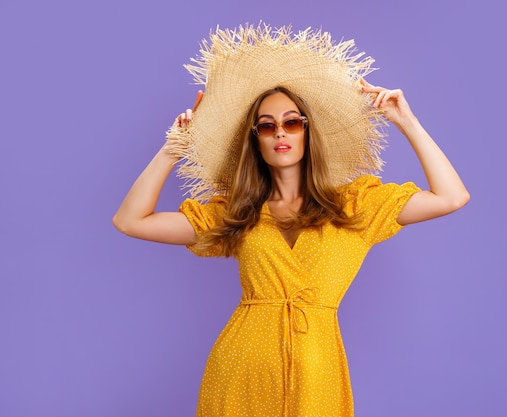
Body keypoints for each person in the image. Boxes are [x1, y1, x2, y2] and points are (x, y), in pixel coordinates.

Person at [113, 23, 469, 417]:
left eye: (291, 122)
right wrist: (172, 149)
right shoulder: (237, 212)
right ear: (256, 140)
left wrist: (407, 122)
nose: (279, 132)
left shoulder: (354, 206)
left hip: (318, 374)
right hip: (240, 372)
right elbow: (130, 221)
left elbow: (452, 196)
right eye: (266, 125)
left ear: (306, 132)